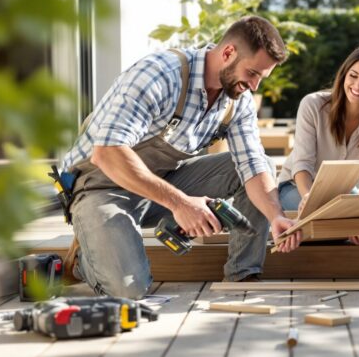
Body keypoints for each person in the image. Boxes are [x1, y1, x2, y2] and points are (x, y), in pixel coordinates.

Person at [60, 16, 302, 299]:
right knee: (129, 290)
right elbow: (108, 153)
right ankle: (84, 259)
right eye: (252, 74)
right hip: (100, 187)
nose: (255, 85)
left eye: (261, 77)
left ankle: (242, 275)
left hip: (161, 182)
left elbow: (251, 164)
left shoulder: (236, 101)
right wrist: (180, 203)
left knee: (257, 165)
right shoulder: (159, 75)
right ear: (228, 53)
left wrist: (276, 216)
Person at [277, 45, 359, 245]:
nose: (358, 86)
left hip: (341, 193)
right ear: (344, 74)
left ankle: (338, 230)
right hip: (297, 188)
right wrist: (308, 197)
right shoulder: (313, 105)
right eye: (353, 76)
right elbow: (302, 164)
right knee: (320, 221)